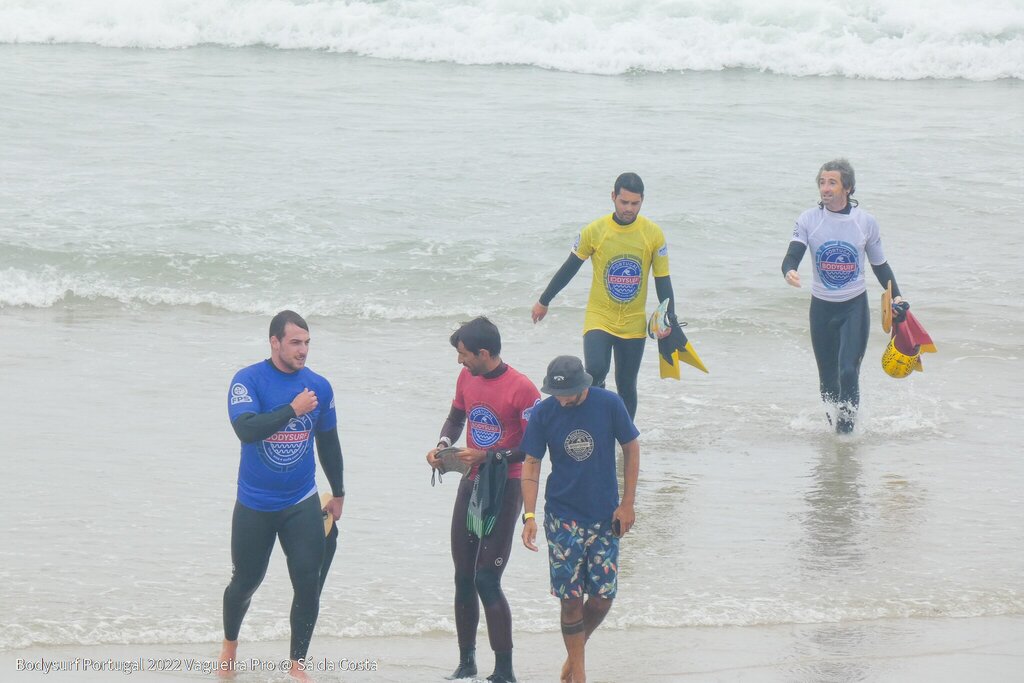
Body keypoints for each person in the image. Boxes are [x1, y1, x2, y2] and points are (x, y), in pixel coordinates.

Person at [219, 310, 346, 681]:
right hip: (255, 503)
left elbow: (329, 443)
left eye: (306, 343)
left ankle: (297, 666)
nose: (303, 350)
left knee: (308, 584)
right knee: (245, 582)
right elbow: (247, 429)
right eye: (295, 342)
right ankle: (230, 645)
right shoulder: (248, 380)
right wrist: (292, 409)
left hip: (300, 500)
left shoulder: (319, 386)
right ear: (274, 342)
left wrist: (339, 492)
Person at [425, 317, 541, 683]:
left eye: (463, 354)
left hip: (506, 487)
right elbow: (456, 417)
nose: (459, 360)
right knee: (463, 576)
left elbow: (533, 448)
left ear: (484, 353)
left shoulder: (522, 389)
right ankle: (467, 664)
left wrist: (489, 455)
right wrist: (442, 446)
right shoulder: (466, 378)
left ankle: (504, 672)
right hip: (471, 482)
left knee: (486, 578)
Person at [519, 355, 640, 683]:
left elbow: (631, 448)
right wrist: (529, 515)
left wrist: (628, 504)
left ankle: (575, 654)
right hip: (562, 517)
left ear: (583, 384)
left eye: (567, 394)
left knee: (602, 598)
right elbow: (531, 463)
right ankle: (580, 674)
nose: (562, 400)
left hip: (604, 515)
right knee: (570, 600)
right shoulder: (544, 413)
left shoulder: (609, 404)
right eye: (556, 394)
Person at [531, 172, 687, 421]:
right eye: (624, 202)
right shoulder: (595, 231)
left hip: (633, 322)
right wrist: (544, 300)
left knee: (626, 383)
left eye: (635, 203)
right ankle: (596, 427)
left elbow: (662, 279)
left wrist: (670, 317)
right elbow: (570, 268)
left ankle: (626, 437)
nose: (629, 208)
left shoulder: (653, 234)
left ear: (642, 200)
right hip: (600, 317)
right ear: (613, 196)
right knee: (594, 372)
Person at [782, 159, 907, 433]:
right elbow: (792, 254)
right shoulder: (808, 220)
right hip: (821, 309)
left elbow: (880, 265)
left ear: (847, 187)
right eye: (822, 182)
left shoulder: (865, 222)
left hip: (854, 308)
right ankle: (837, 438)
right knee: (828, 379)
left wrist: (896, 298)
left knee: (848, 371)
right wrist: (789, 270)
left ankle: (846, 435)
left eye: (832, 182)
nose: (825, 188)